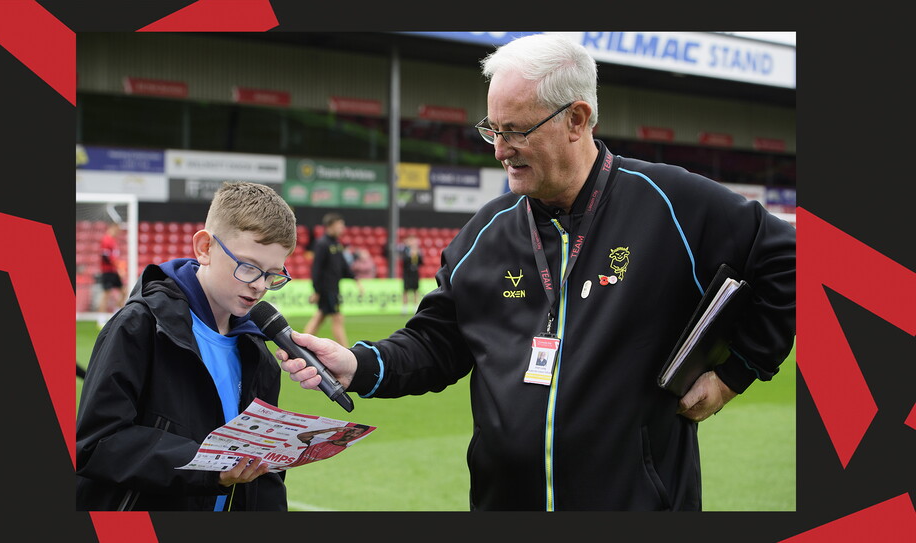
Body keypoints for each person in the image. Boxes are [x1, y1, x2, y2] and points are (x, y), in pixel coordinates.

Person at [277, 33, 796, 511]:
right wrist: (358, 364)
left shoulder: (669, 202)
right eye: (492, 130)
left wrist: (736, 372)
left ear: (577, 119)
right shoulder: (485, 233)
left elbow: (788, 257)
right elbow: (437, 343)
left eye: (517, 130)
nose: (501, 150)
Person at [76, 181, 298, 511]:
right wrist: (209, 466)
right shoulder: (141, 326)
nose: (259, 286)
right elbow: (96, 444)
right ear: (204, 247)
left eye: (272, 275)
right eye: (249, 267)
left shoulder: (259, 352)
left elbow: (265, 477)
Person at [303, 212, 363, 347]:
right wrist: (317, 290)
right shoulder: (322, 244)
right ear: (330, 226)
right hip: (327, 288)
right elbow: (316, 269)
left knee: (320, 317)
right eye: (340, 225)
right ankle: (347, 350)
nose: (342, 228)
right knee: (337, 318)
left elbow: (343, 266)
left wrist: (355, 279)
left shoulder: (336, 244)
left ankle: (301, 343)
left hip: (333, 288)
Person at [282, 424, 371, 469]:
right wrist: (332, 429)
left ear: (359, 436)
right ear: (347, 430)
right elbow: (301, 436)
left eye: (357, 433)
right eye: (352, 430)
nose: (352, 433)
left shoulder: (346, 449)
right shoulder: (321, 441)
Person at [97, 221, 126, 313]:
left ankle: (116, 312)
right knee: (106, 294)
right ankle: (100, 318)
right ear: (113, 228)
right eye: (117, 229)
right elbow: (105, 257)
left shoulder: (113, 241)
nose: (118, 232)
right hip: (107, 271)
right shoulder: (106, 240)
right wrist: (118, 264)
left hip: (114, 271)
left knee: (124, 291)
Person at [399, 235, 423, 314]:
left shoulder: (418, 251)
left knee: (415, 290)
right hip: (407, 272)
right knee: (405, 290)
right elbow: (403, 261)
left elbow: (421, 263)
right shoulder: (405, 250)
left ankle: (415, 307)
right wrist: (410, 255)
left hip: (415, 272)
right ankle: (404, 308)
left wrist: (418, 255)